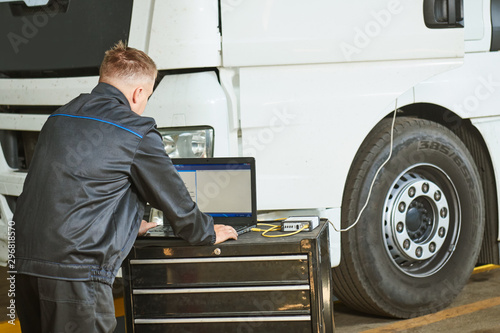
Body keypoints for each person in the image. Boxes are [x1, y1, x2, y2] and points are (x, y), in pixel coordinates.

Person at [13, 41, 238, 332]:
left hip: (23, 262)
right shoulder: (135, 130)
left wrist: (128, 224)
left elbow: (71, 189)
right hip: (75, 272)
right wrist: (206, 232)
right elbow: (176, 201)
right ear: (138, 93)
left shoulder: (59, 118)